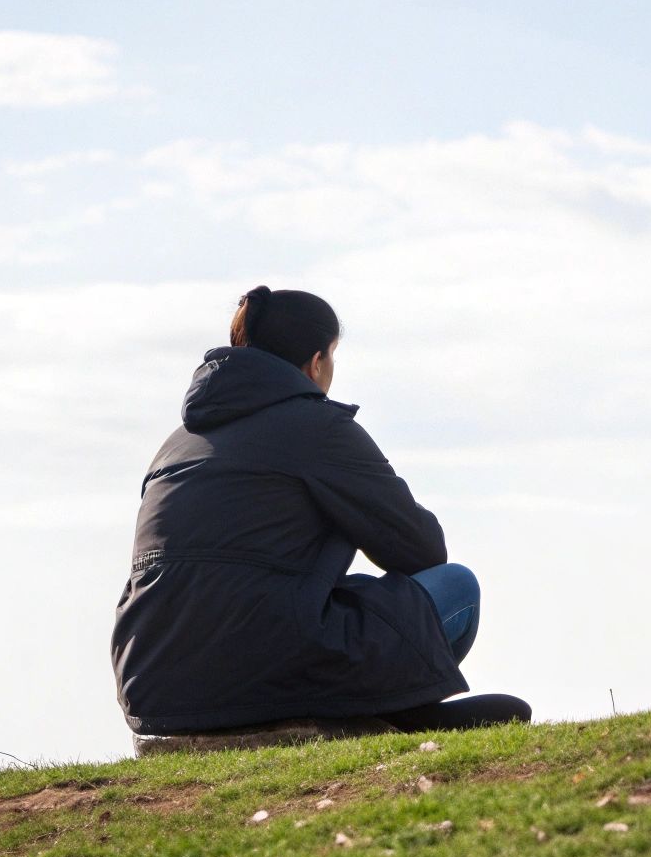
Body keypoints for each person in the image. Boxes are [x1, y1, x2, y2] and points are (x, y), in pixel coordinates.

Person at [111, 285, 529, 740]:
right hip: (262, 668)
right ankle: (380, 714)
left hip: (153, 689)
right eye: (332, 356)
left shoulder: (175, 443)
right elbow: (422, 550)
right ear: (316, 362)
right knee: (456, 587)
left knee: (325, 594)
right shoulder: (318, 426)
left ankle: (384, 715)